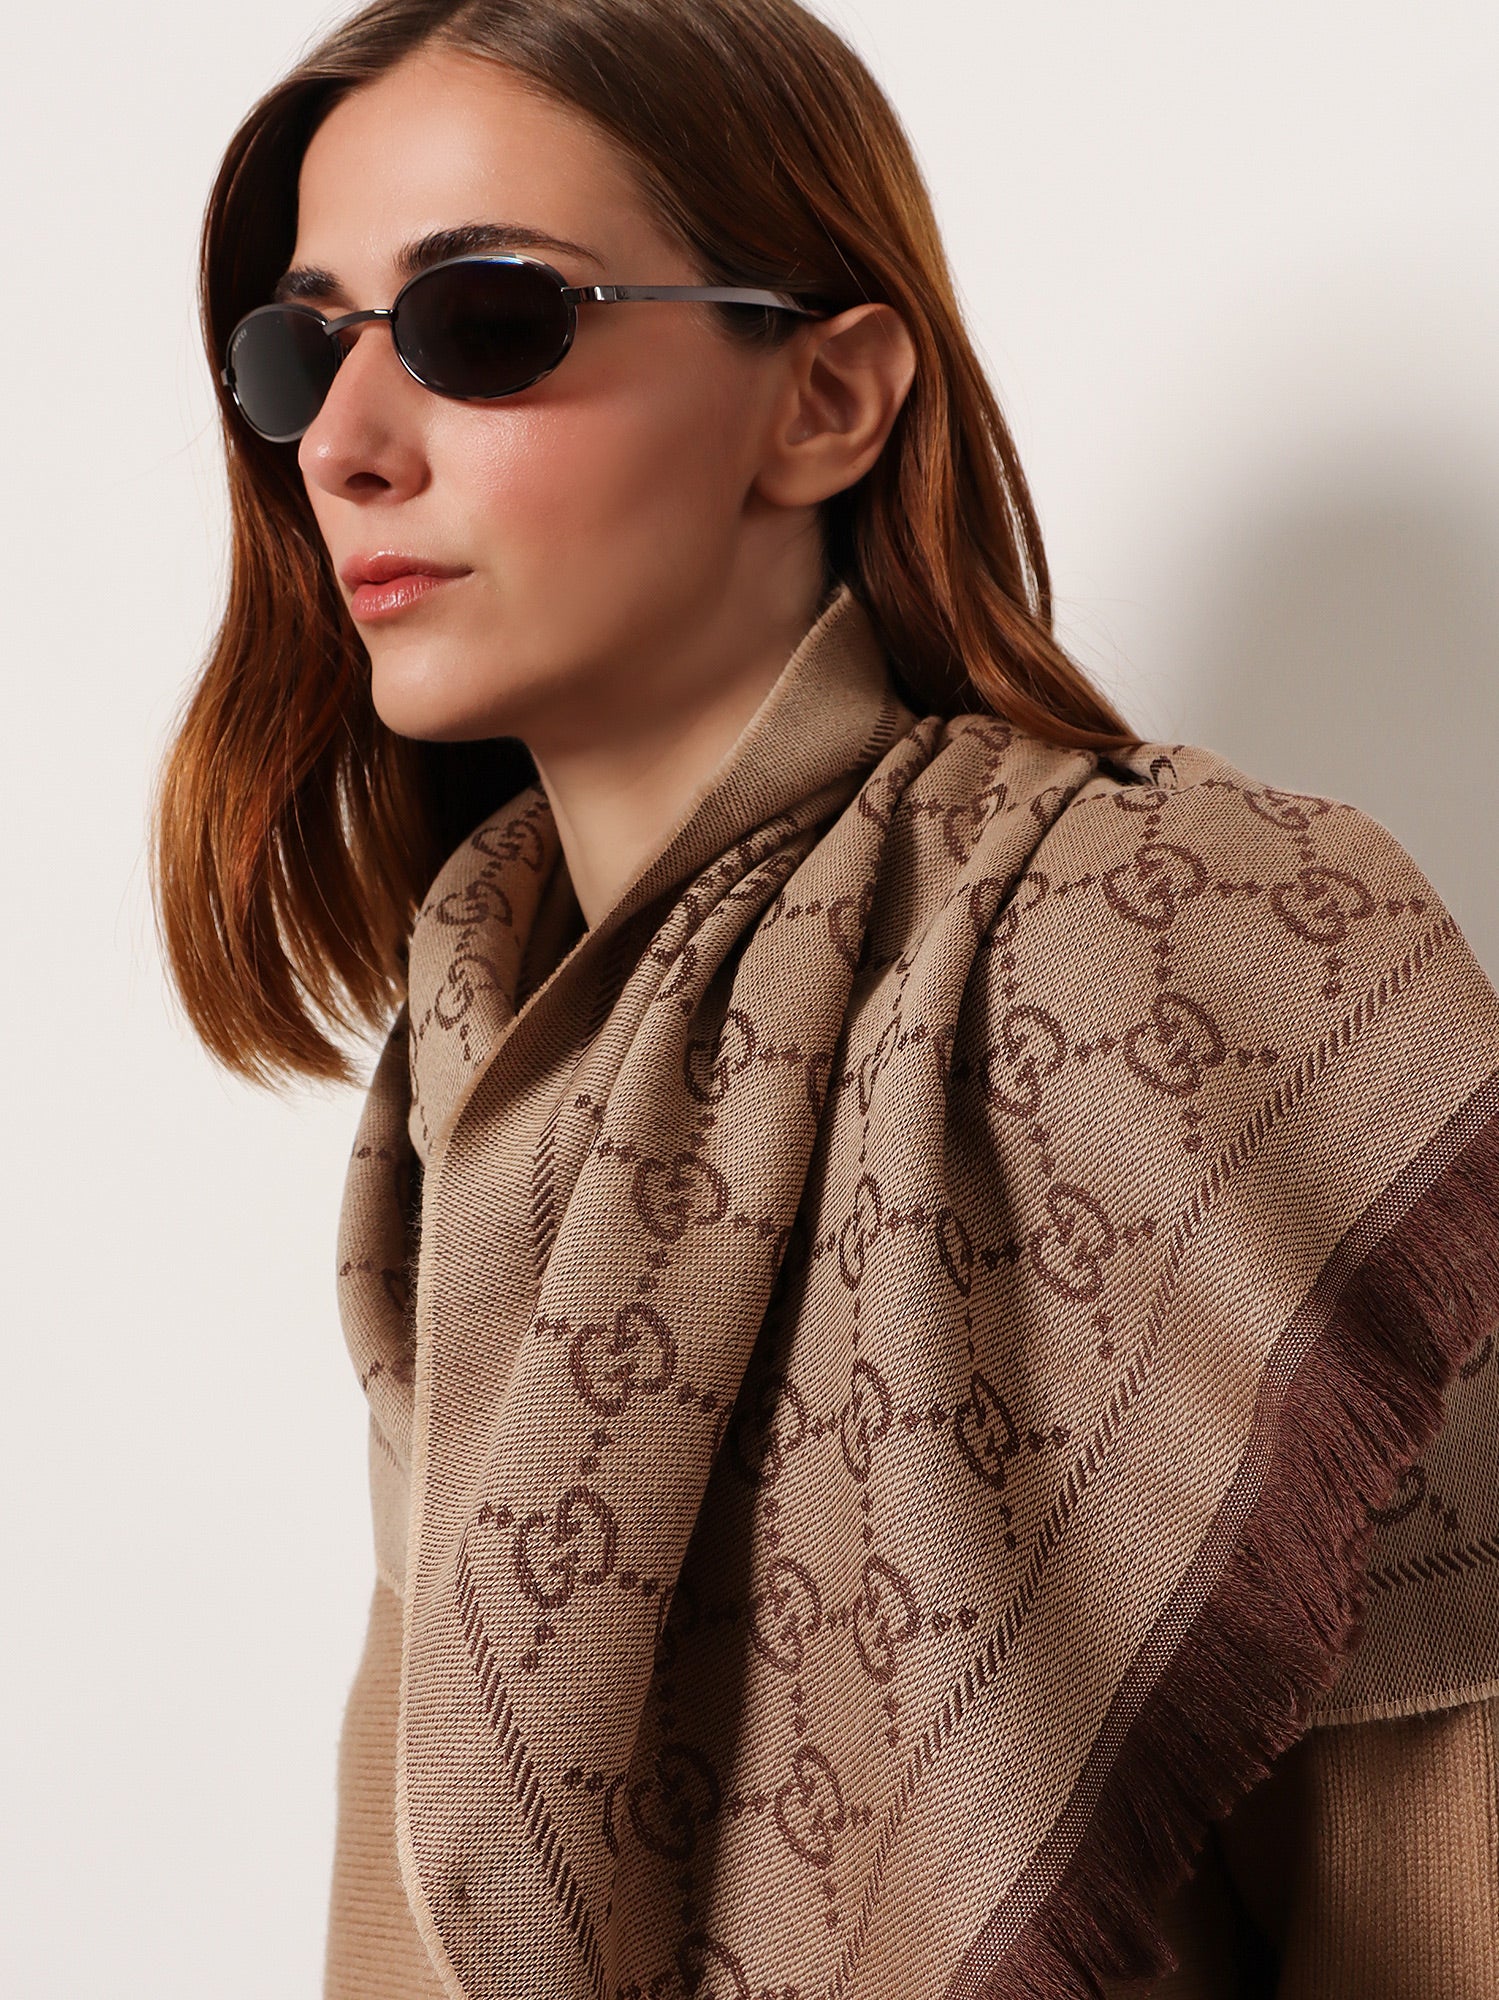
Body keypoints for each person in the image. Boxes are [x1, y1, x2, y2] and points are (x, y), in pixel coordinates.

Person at [149, 2, 1499, 1995]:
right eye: (302, 347)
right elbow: (420, 1893)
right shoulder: (474, 1056)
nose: (343, 444)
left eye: (482, 322)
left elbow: (1440, 1843)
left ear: (828, 396)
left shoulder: (1182, 938)